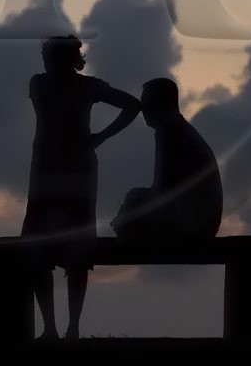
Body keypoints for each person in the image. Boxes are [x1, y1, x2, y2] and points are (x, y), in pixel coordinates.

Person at [21, 34, 141, 342]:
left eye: (50, 58)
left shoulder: (42, 84)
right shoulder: (83, 86)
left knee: (52, 247)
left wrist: (100, 137)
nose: (46, 64)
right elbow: (131, 105)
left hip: (59, 170)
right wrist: (100, 137)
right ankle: (60, 328)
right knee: (54, 249)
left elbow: (132, 105)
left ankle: (61, 328)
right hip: (63, 169)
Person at [112, 78, 223, 244]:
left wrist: (132, 207)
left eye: (147, 103)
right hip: (202, 221)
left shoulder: (169, 133)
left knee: (134, 200)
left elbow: (161, 189)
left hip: (197, 226)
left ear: (161, 103)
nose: (143, 109)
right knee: (135, 200)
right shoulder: (177, 128)